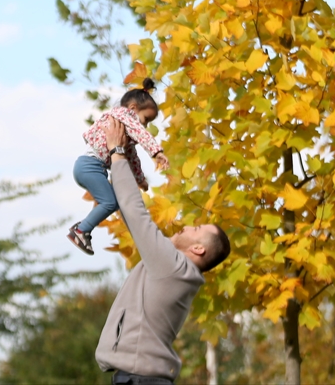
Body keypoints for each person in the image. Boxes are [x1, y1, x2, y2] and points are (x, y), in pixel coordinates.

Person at [95, 117, 231, 385]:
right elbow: (131, 214)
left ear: (198, 248)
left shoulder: (173, 267)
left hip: (140, 380)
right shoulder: (174, 270)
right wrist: (125, 162)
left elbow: (136, 214)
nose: (187, 226)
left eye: (196, 228)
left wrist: (117, 152)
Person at [68, 78, 170, 255]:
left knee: (110, 200)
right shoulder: (122, 115)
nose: (144, 125)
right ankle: (81, 230)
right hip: (89, 167)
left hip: (90, 168)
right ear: (132, 109)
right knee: (110, 202)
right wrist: (156, 152)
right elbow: (141, 133)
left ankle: (84, 226)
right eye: (146, 119)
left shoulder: (123, 132)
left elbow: (131, 158)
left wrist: (140, 179)